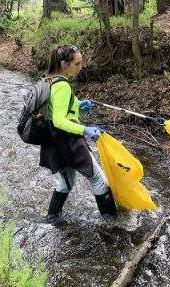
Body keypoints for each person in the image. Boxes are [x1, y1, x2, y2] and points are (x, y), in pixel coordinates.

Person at [39, 45, 117, 226]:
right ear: (64, 64)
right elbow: (59, 120)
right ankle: (112, 224)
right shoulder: (63, 86)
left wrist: (79, 104)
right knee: (99, 180)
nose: (80, 67)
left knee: (67, 182)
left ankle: (52, 218)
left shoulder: (50, 79)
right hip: (68, 141)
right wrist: (85, 130)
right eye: (77, 63)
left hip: (53, 142)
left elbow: (56, 108)